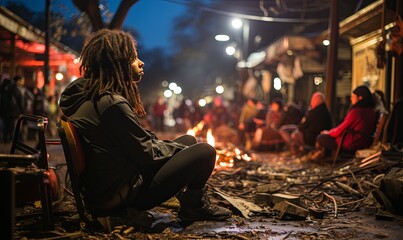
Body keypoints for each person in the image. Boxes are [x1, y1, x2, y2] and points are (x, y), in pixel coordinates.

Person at [58, 29, 231, 222]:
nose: (141, 63)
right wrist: (176, 149)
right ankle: (194, 206)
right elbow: (146, 153)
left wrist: (173, 147)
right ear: (117, 63)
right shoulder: (111, 103)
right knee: (204, 152)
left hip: (106, 187)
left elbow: (136, 146)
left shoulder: (90, 98)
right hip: (117, 195)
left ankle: (190, 200)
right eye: (133, 58)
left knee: (189, 140)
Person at [314, 85, 377, 159]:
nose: (351, 99)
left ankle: (326, 159)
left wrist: (328, 133)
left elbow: (342, 128)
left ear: (360, 98)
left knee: (321, 137)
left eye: (353, 97)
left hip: (352, 142)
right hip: (364, 141)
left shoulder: (357, 111)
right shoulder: (371, 111)